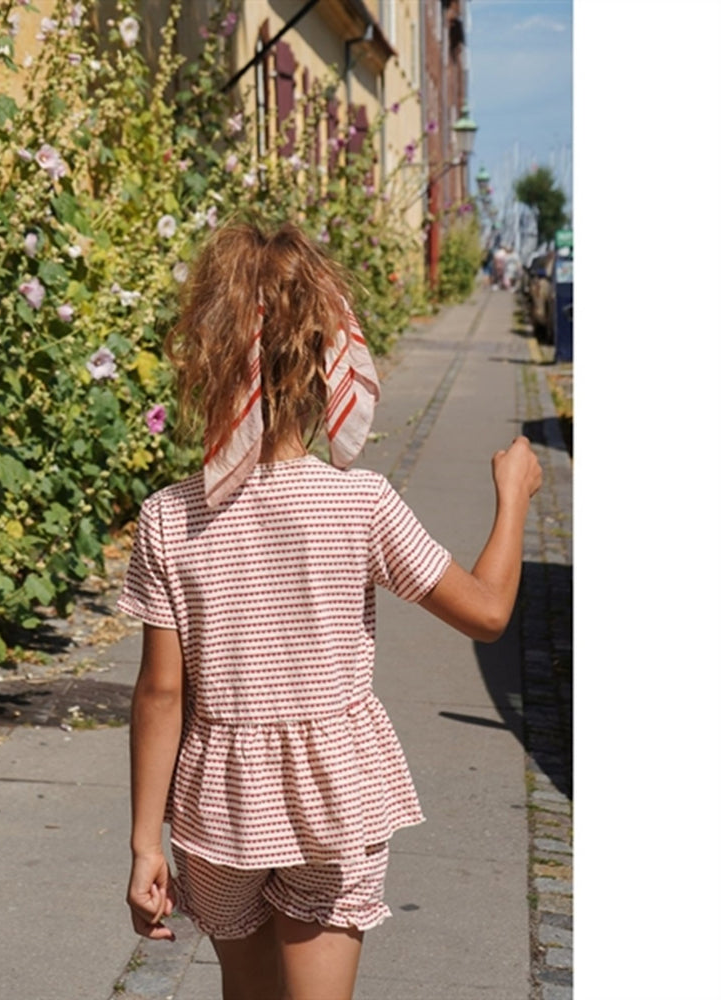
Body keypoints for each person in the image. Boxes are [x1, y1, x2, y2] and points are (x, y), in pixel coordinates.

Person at [118, 220, 542, 1000]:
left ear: (205, 359)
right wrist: (512, 496)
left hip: (220, 803)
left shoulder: (169, 518)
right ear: (326, 367)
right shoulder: (358, 503)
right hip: (335, 793)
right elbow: (486, 613)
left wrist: (147, 843)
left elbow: (161, 693)